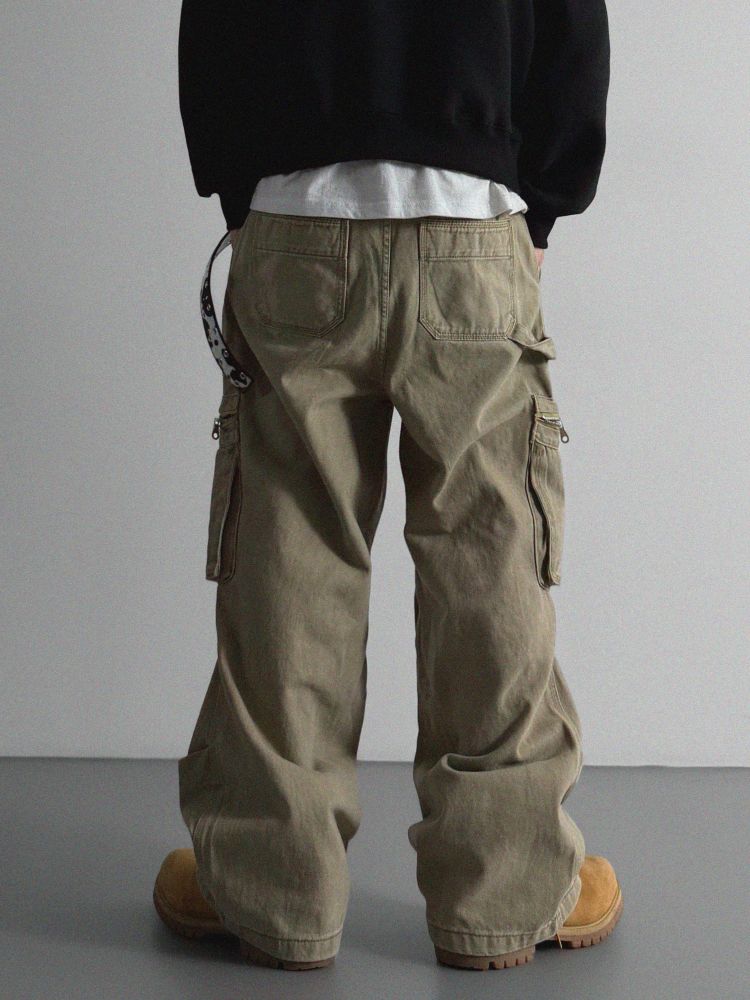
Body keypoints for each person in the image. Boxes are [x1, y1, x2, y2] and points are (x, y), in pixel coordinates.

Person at [153, 0, 621, 973]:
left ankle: (274, 889)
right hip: (473, 227)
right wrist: (542, 201)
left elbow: (216, 26)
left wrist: (244, 192)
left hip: (299, 220)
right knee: (490, 557)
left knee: (287, 557)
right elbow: (571, 27)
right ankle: (505, 892)